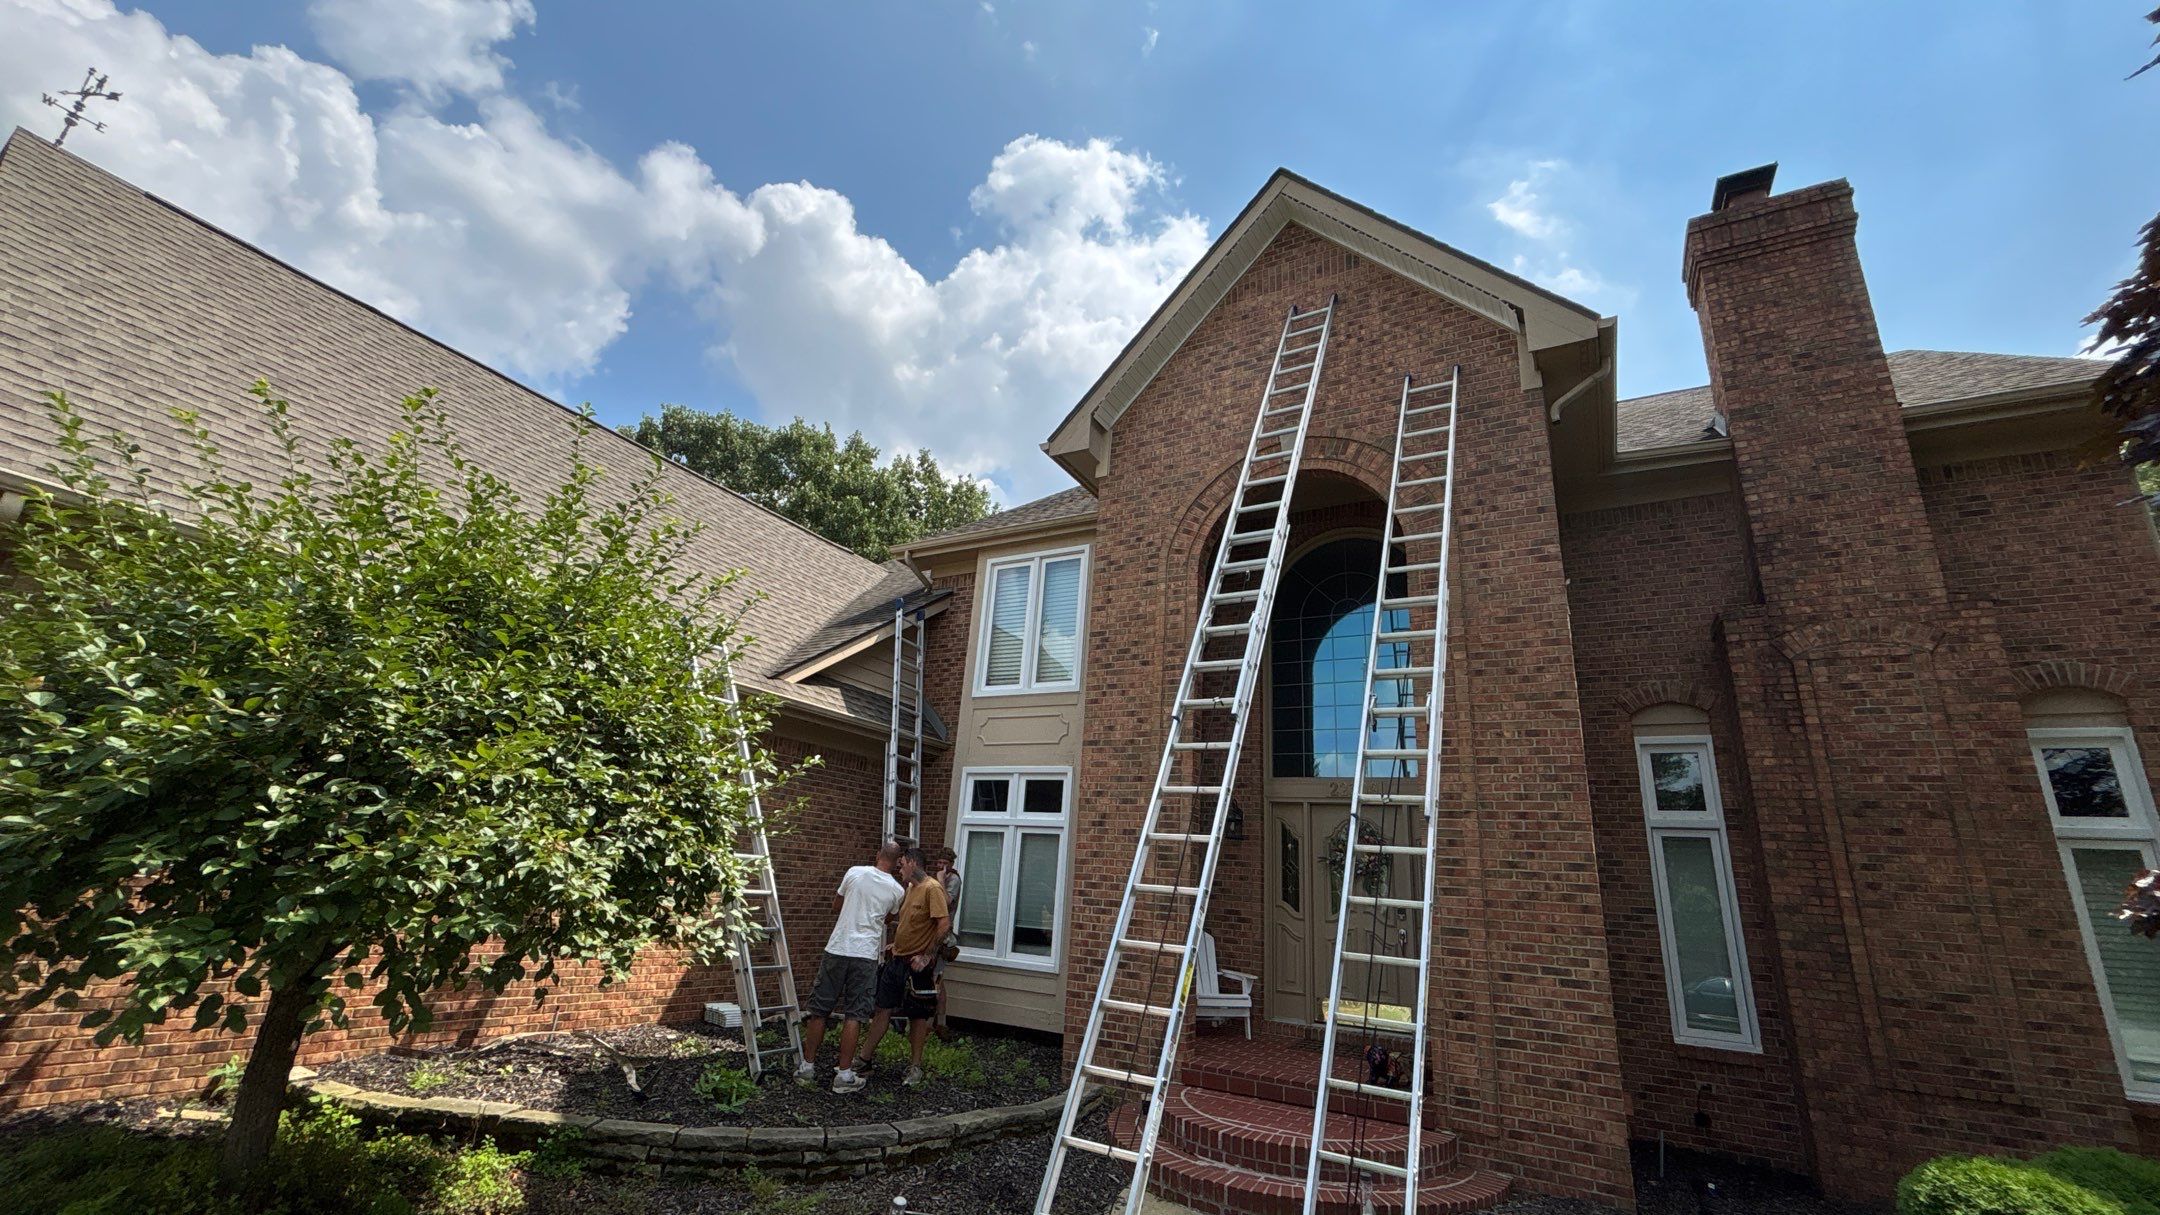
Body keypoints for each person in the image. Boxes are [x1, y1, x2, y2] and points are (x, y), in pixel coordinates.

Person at [797, 839, 905, 1093]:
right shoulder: (897, 891)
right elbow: (888, 919)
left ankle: (807, 1068)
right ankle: (843, 1075)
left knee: (820, 1010)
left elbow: (837, 905)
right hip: (865, 956)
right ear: (898, 862)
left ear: (878, 854)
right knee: (855, 1014)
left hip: (836, 949)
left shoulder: (854, 872)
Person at [854, 847, 950, 1086]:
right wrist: (895, 944)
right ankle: (864, 1060)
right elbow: (911, 924)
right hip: (897, 960)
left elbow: (943, 924)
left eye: (902, 864)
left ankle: (915, 1067)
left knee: (917, 1016)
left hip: (917, 965)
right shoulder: (910, 889)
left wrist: (927, 956)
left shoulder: (932, 889)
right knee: (882, 1008)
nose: (899, 868)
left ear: (912, 863)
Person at [927, 847, 962, 1040]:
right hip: (933, 933)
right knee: (938, 979)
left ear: (950, 864)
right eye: (938, 863)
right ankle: (940, 1022)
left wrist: (940, 881)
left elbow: (947, 902)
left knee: (935, 979)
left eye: (944, 864)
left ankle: (931, 1024)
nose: (940, 867)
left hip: (944, 936)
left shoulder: (953, 880)